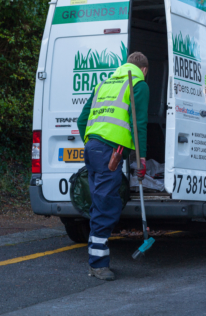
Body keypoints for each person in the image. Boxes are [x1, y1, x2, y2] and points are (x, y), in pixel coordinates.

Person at [77, 51, 150, 281]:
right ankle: (98, 265)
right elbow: (138, 124)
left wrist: (91, 143)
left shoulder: (103, 84)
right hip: (110, 154)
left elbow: (82, 120)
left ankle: (95, 260)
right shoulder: (138, 84)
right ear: (144, 70)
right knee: (106, 205)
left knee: (98, 204)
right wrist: (142, 158)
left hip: (92, 150)